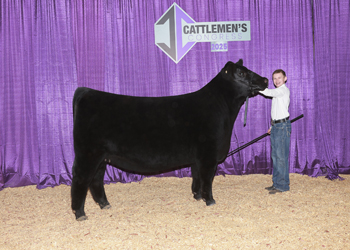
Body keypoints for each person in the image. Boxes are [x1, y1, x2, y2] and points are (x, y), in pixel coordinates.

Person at [259, 69, 291, 194]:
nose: (277, 80)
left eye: (279, 78)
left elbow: (268, 92)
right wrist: (273, 126)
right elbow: (278, 111)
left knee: (281, 157)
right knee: (276, 157)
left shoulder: (282, 90)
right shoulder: (279, 92)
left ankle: (283, 186)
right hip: (278, 126)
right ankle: (277, 183)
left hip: (282, 127)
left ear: (285, 78)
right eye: (274, 78)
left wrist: (255, 86)